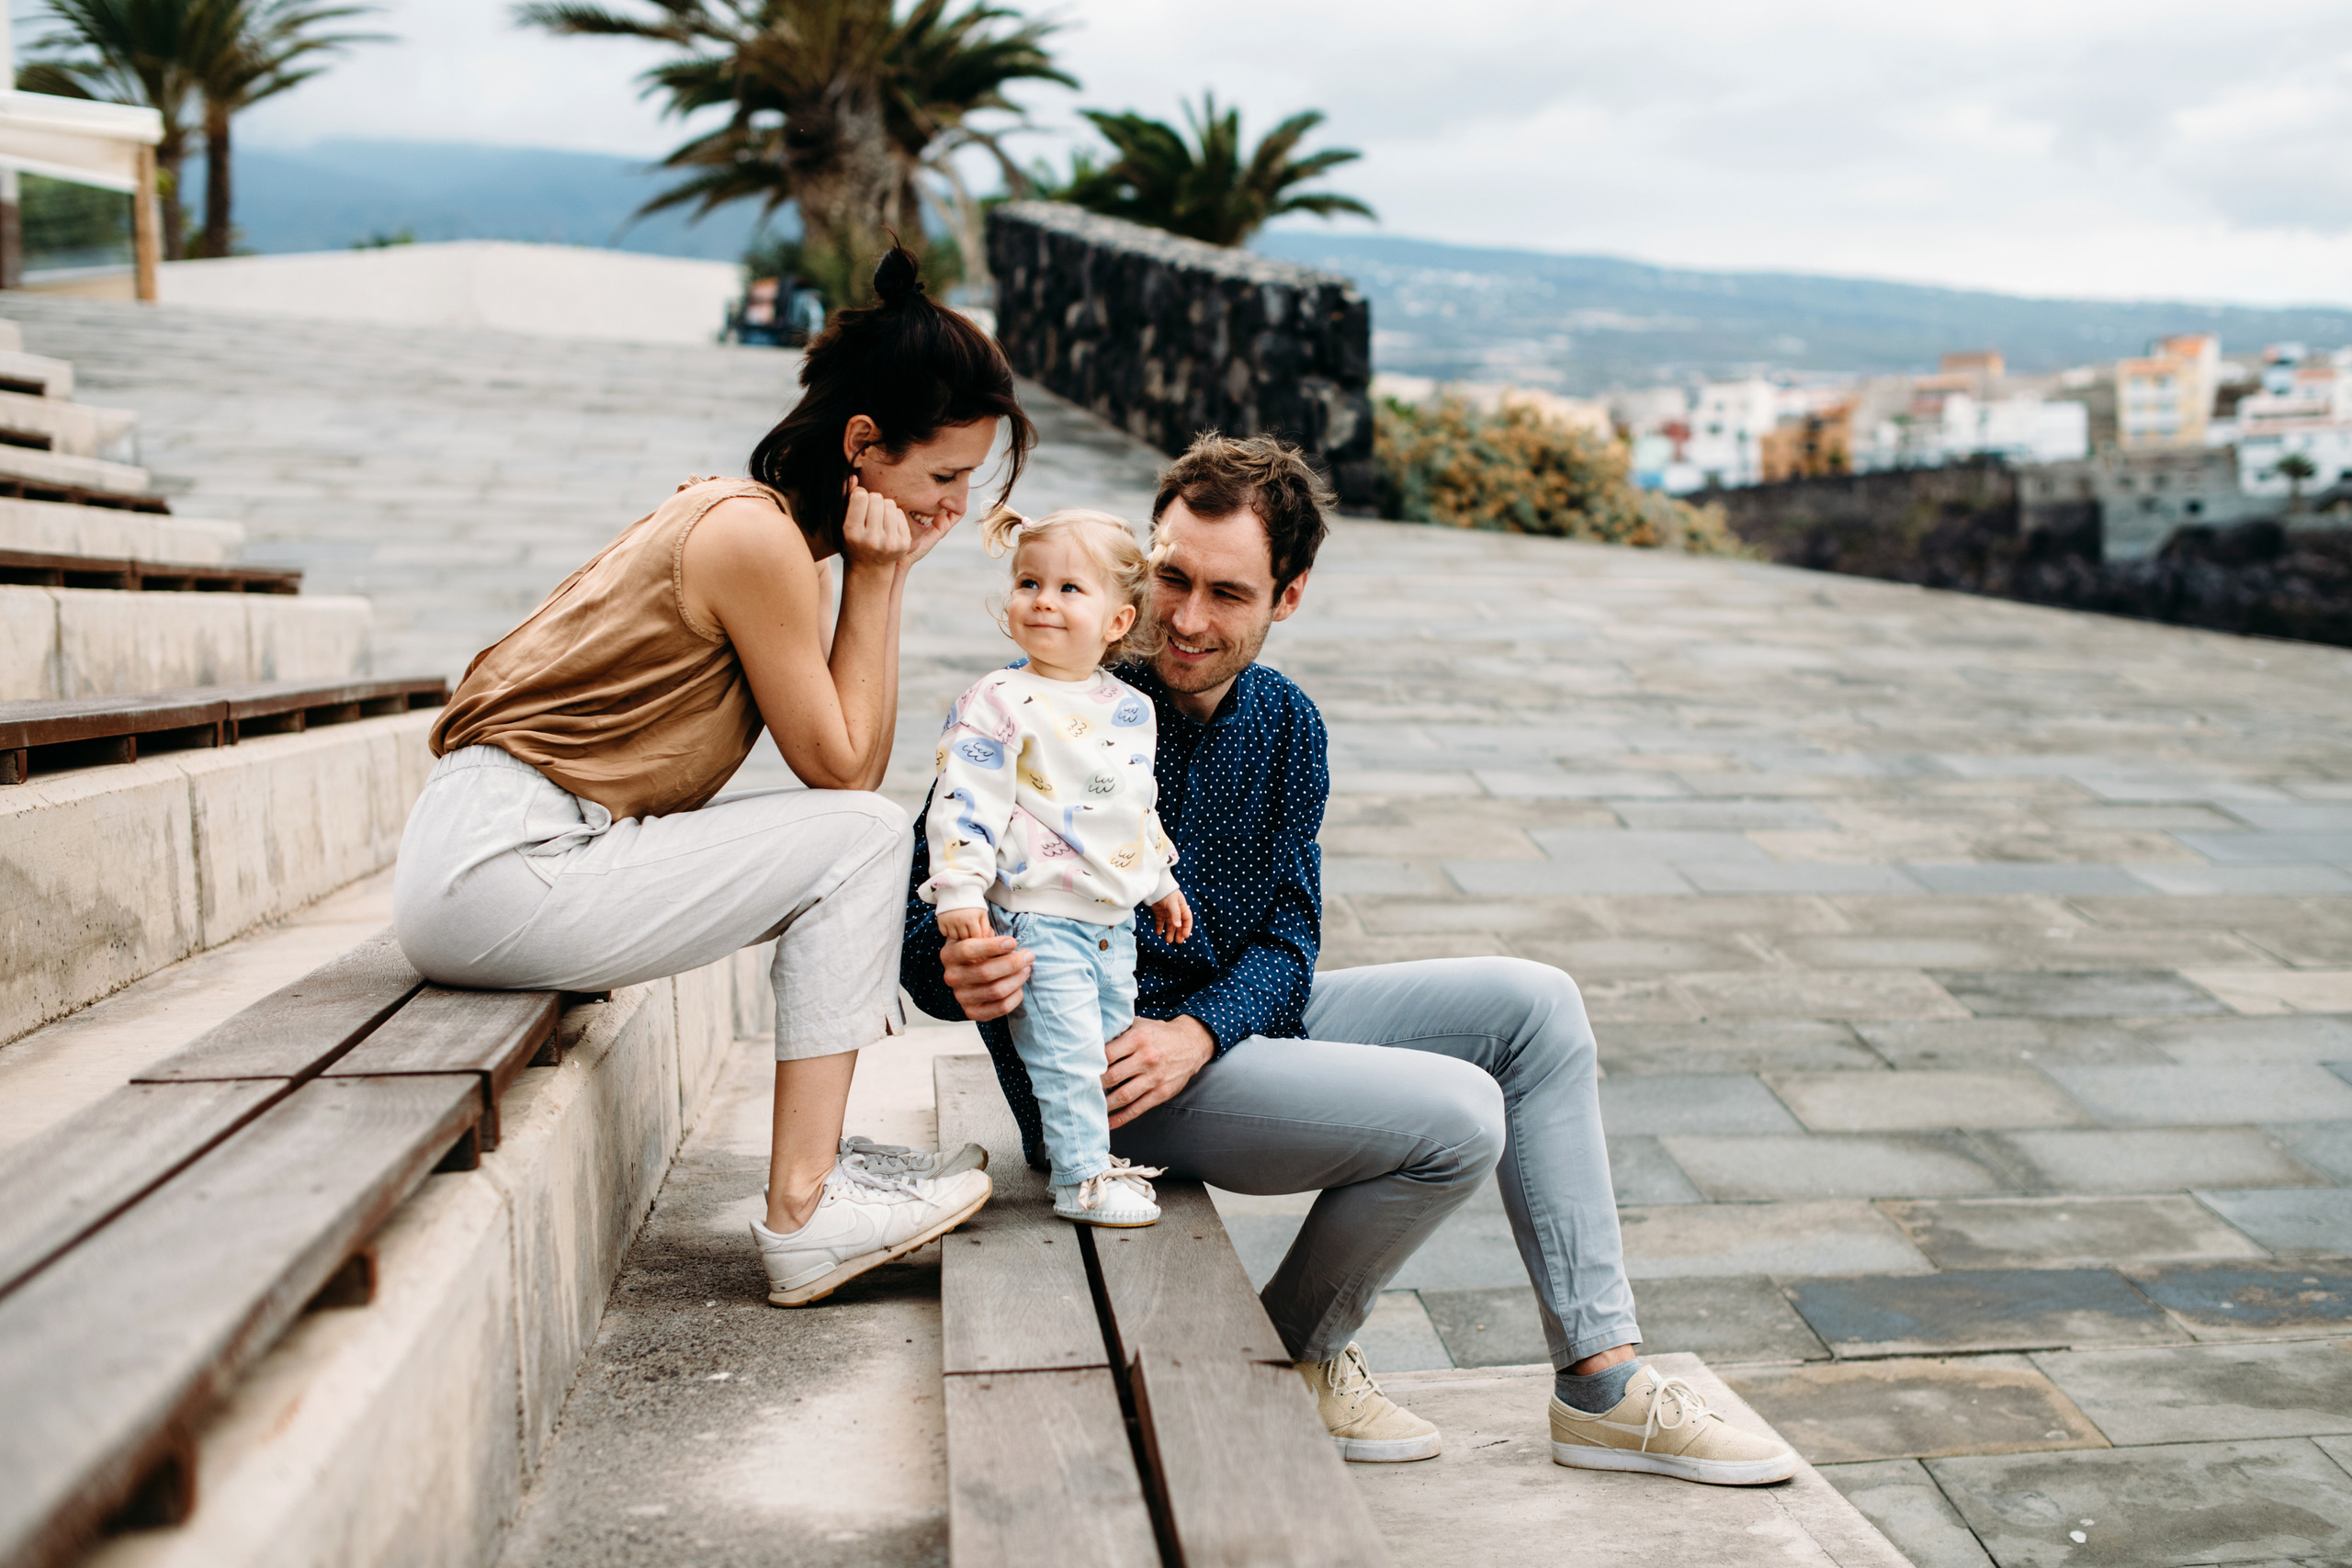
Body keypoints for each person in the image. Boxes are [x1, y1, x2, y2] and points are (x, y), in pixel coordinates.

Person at [903, 433, 1798, 1484]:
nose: (1187, 620)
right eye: (1172, 580)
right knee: (1457, 1118)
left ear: (1288, 596)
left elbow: (1290, 941)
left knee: (1534, 1004)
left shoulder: (1284, 724)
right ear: (1140, 571)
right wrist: (961, 968)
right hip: (1101, 1076)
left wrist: (1203, 1031)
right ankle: (1284, 1358)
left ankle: (1601, 1387)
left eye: (1228, 593)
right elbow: (925, 944)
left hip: (1206, 1037)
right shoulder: (1038, 699)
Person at [394, 247, 1015, 1310]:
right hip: (507, 861)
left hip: (503, 852)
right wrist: (880, 576)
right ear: (863, 445)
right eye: (942, 477)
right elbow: (843, 768)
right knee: (866, 835)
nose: (953, 506)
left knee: (859, 828)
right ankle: (806, 1209)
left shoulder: (759, 527)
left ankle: (822, 1167)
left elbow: (843, 759)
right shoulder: (753, 537)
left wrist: (880, 568)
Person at [918, 508, 1193, 1227]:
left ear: (1117, 619)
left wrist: (1160, 881)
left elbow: (1134, 806)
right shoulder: (1000, 700)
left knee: (1102, 1047)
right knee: (1067, 1055)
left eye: (1071, 588)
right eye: (1029, 582)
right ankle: (1080, 1181)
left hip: (1112, 924)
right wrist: (959, 889)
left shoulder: (1132, 709)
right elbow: (963, 801)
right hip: (1039, 919)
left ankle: (1094, 1158)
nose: (1043, 599)